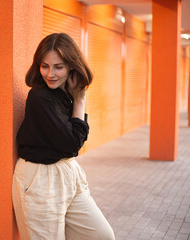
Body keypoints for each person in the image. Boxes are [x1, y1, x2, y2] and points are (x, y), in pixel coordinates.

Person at [12, 33, 115, 240]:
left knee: (102, 236)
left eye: (58, 67)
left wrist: (75, 97)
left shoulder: (62, 95)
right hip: (40, 178)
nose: (50, 74)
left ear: (71, 67)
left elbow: (72, 144)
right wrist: (80, 101)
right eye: (44, 66)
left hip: (68, 172)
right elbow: (71, 143)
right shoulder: (40, 97)